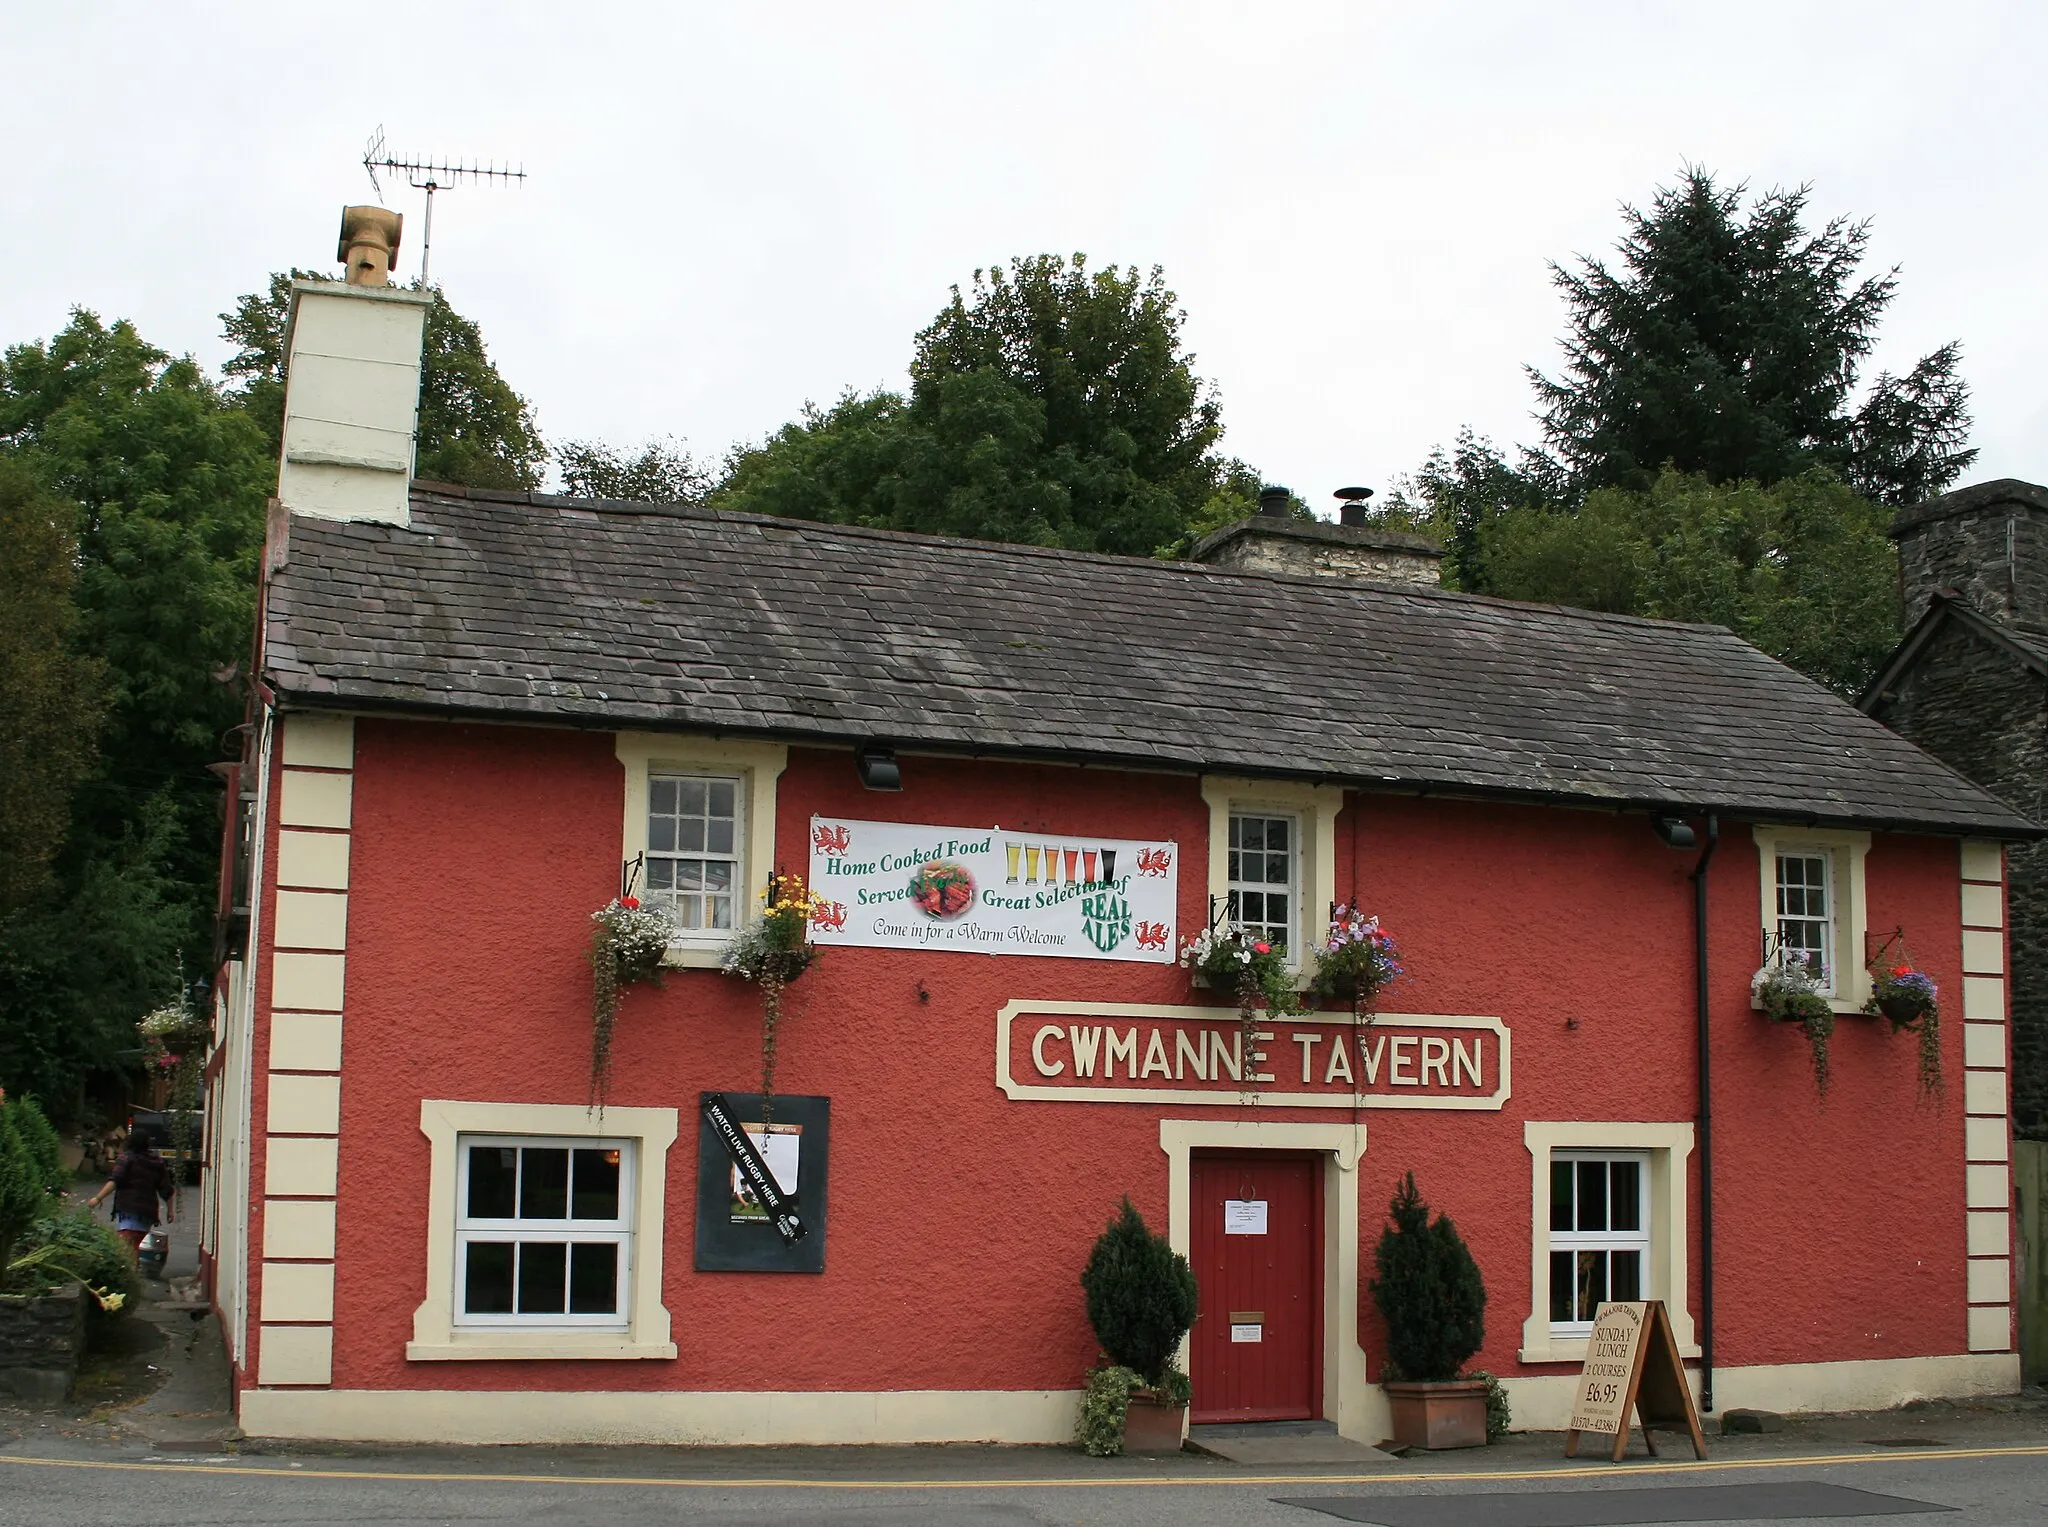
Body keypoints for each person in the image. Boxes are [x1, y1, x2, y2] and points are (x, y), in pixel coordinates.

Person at [87, 1132, 176, 1267]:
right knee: (134, 1246)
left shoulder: (126, 1159)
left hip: (129, 1209)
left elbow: (115, 1180)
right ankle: (131, 1272)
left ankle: (128, 1275)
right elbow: (166, 1189)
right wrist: (170, 1211)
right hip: (147, 1212)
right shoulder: (156, 1162)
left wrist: (98, 1198)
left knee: (127, 1247)